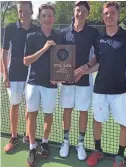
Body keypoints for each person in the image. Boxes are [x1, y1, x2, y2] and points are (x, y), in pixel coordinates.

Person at [75, 1, 126, 167]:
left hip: (120, 91)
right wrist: (85, 69)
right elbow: (98, 62)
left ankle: (120, 156)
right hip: (100, 90)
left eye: (112, 13)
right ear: (102, 16)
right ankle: (98, 151)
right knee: (98, 120)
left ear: (118, 15)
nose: (108, 16)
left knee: (124, 124)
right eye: (106, 13)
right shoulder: (99, 38)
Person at [24, 4, 65, 166]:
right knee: (32, 115)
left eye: (50, 15)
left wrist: (59, 76)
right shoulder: (31, 36)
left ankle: (45, 142)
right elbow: (26, 61)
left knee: (48, 115)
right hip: (33, 83)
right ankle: (33, 146)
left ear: (54, 18)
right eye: (44, 15)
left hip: (51, 84)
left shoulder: (59, 36)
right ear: (39, 18)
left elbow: (63, 58)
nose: (47, 18)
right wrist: (44, 48)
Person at [59, 1, 99, 161]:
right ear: (73, 11)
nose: (80, 14)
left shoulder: (93, 32)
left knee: (83, 110)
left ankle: (80, 144)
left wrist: (86, 67)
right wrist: (59, 72)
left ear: (87, 14)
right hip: (67, 80)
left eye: (83, 11)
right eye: (77, 10)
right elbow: (58, 55)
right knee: (67, 110)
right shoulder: (63, 32)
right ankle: (66, 142)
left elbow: (98, 54)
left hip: (84, 79)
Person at [2, 1, 35, 153]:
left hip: (31, 75)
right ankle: (14, 136)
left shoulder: (37, 29)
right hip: (14, 74)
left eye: (26, 11)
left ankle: (28, 136)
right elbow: (4, 52)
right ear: (18, 12)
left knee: (30, 107)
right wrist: (5, 75)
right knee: (14, 105)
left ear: (32, 11)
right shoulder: (9, 28)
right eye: (21, 11)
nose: (24, 14)